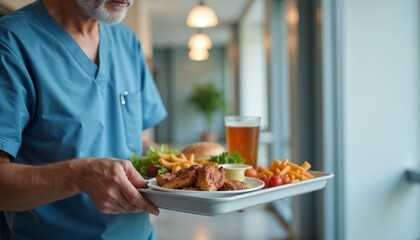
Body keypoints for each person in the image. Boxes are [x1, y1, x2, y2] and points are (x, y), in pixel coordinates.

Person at [0, 0, 167, 239]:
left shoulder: (128, 43)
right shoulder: (11, 42)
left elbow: (136, 144)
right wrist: (80, 175)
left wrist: (190, 172)